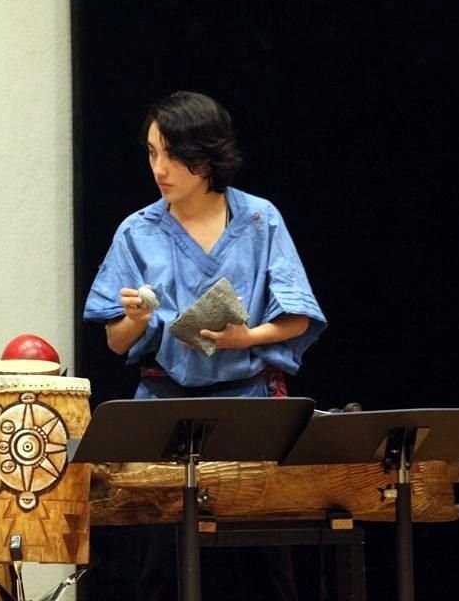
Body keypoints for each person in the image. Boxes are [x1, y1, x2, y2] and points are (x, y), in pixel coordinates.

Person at [82, 91, 326, 600]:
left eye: (172, 154)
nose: (160, 168)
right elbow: (114, 339)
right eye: (151, 153)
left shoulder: (260, 220)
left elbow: (298, 317)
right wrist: (135, 319)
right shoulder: (137, 231)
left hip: (249, 409)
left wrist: (247, 337)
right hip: (164, 408)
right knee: (159, 569)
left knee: (263, 566)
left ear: (206, 155)